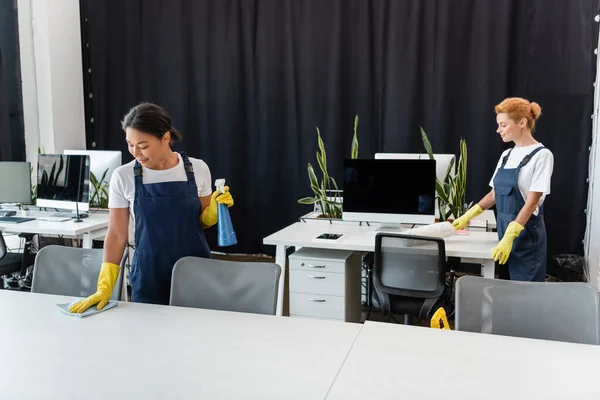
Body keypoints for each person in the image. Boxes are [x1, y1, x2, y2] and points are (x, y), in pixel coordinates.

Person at [70, 103, 233, 312]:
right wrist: (104, 286)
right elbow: (117, 234)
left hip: (195, 269)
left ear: (165, 138)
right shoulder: (124, 176)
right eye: (130, 144)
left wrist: (213, 211)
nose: (135, 152)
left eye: (143, 145)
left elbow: (202, 222)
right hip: (149, 274)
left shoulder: (197, 169)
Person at [452, 97, 554, 281]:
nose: (498, 130)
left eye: (503, 125)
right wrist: (468, 216)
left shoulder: (542, 155)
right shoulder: (507, 154)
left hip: (525, 236)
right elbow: (494, 195)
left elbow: (532, 202)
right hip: (503, 233)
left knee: (525, 293)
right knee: (505, 290)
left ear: (522, 123)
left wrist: (512, 234)